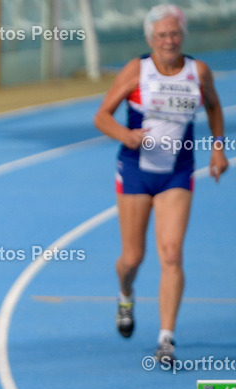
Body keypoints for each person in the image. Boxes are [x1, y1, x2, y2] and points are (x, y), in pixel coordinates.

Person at [93, 3, 227, 366]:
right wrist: (126, 135)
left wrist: (218, 149)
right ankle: (125, 292)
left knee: (171, 253)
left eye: (174, 34)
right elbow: (102, 116)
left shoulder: (197, 71)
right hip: (136, 170)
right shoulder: (138, 70)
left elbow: (214, 107)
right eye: (161, 35)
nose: (169, 41)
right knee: (133, 257)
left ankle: (166, 337)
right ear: (150, 39)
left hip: (177, 173)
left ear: (182, 35)